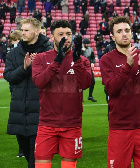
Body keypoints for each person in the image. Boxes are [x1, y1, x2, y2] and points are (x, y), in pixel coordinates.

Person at [32, 19, 92, 168]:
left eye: (68, 34)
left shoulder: (82, 60)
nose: (65, 37)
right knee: (41, 165)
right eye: (60, 34)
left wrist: (77, 61)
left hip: (72, 124)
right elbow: (39, 82)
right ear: (51, 37)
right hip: (47, 124)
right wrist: (57, 61)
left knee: (69, 165)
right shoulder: (41, 58)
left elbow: (86, 84)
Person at [100, 16, 140, 168]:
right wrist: (127, 66)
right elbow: (111, 89)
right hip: (119, 128)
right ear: (112, 36)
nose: (124, 34)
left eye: (127, 30)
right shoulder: (107, 59)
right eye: (119, 31)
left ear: (132, 33)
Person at [3, 17, 53, 168]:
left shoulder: (50, 51)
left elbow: (55, 78)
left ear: (37, 31)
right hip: (19, 111)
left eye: (26, 30)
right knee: (27, 151)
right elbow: (9, 76)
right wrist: (25, 68)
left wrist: (38, 66)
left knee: (35, 157)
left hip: (41, 110)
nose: (22, 33)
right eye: (22, 30)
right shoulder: (14, 53)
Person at [82, 38, 97, 102]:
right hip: (82, 68)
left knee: (93, 81)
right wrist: (82, 51)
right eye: (87, 44)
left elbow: (93, 57)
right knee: (81, 82)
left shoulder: (90, 49)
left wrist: (93, 62)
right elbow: (78, 57)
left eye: (88, 43)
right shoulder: (80, 49)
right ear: (84, 44)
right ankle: (80, 97)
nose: (88, 45)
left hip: (89, 67)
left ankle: (90, 96)